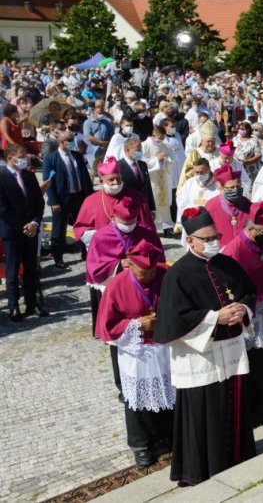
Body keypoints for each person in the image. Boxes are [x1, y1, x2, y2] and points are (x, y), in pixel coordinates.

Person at [153, 206, 258, 486]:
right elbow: (173, 320)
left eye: (216, 236)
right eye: (207, 238)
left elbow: (248, 291)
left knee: (232, 407)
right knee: (205, 414)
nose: (215, 242)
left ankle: (238, 460)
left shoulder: (228, 264)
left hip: (231, 351)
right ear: (190, 241)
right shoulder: (178, 275)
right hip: (201, 358)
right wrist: (215, 318)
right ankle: (202, 471)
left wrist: (243, 310)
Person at [94, 239, 175, 468]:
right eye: (142, 272)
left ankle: (165, 436)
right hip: (136, 350)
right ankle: (141, 445)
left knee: (167, 391)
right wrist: (137, 324)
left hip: (162, 345)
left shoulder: (164, 274)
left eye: (151, 271)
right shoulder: (116, 285)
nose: (148, 276)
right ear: (130, 264)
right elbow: (106, 326)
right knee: (138, 398)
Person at [221, 201, 263, 426]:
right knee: (254, 362)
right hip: (251, 316)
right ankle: (257, 409)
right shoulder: (234, 251)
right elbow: (232, 288)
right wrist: (259, 304)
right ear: (249, 228)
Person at [0, 144, 46, 321]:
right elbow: (3, 209)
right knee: (12, 272)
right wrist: (23, 226)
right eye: (21, 156)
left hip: (31, 231)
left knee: (31, 269)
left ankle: (32, 303)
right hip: (13, 231)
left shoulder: (29, 175)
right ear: (10, 158)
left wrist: (34, 222)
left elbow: (38, 202)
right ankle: (13, 306)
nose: (24, 159)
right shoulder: (2, 178)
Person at [42, 129, 94, 269]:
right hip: (61, 199)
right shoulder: (51, 158)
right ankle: (58, 258)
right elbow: (48, 181)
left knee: (84, 226)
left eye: (72, 140)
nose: (72, 143)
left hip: (79, 197)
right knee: (59, 229)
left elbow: (85, 178)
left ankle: (86, 252)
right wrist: (53, 201)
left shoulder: (77, 156)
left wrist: (90, 196)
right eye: (69, 141)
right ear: (61, 142)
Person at [205, 165, 251, 246]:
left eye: (238, 186)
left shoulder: (248, 204)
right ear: (222, 187)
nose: (235, 190)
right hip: (222, 251)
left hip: (244, 249)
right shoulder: (211, 206)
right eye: (231, 187)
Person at [142, 125, 174, 234]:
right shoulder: (145, 145)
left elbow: (172, 158)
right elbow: (142, 161)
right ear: (153, 135)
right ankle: (153, 226)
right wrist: (156, 159)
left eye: (163, 137)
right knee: (154, 201)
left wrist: (165, 159)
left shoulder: (165, 145)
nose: (161, 140)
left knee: (164, 203)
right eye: (159, 137)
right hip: (151, 178)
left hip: (163, 178)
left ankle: (166, 226)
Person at [175, 158, 217, 236]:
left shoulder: (217, 184)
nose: (199, 175)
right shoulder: (189, 183)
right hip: (193, 221)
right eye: (196, 172)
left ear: (208, 169)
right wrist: (191, 212)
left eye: (202, 172)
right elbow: (181, 200)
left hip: (211, 222)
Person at [118, 137, 157, 216]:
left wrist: (152, 208)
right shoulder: (118, 166)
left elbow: (148, 187)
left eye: (140, 150)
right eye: (137, 150)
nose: (140, 153)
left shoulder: (143, 165)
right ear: (127, 150)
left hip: (144, 208)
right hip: (128, 210)